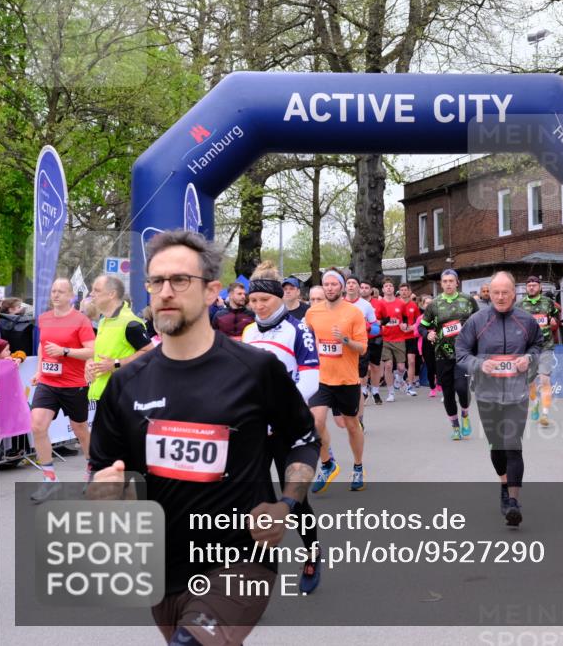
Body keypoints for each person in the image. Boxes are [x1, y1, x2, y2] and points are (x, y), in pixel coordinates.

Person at [89, 230, 320, 645]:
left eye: (180, 280)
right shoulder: (125, 385)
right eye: (156, 281)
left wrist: (286, 503)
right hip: (163, 570)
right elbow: (102, 473)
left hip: (240, 561)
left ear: (212, 291)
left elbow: (303, 437)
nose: (165, 291)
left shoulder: (255, 370)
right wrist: (104, 494)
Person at [242, 260, 324, 593]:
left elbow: (310, 379)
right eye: (253, 301)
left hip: (290, 428)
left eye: (265, 300)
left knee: (296, 498)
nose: (259, 306)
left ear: (280, 297)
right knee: (254, 502)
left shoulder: (299, 329)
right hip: (256, 431)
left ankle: (313, 553)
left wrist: (278, 408)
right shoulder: (248, 332)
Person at [456, 271, 542, 526]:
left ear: (515, 293)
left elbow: (538, 346)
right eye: (496, 292)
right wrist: (479, 364)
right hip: (487, 393)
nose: (501, 297)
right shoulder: (477, 320)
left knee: (512, 443)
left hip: (516, 393)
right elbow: (461, 352)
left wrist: (529, 359)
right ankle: (504, 484)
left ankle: (513, 501)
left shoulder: (526, 321)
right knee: (497, 445)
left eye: (506, 292)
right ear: (489, 293)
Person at [28, 278, 97, 502]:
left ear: (70, 296)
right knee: (37, 425)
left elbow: (91, 351)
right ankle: (49, 479)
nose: (56, 295)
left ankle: (92, 469)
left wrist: (64, 351)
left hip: (74, 384)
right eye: (53, 291)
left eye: (61, 291)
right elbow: (42, 345)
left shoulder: (81, 320)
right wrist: (39, 370)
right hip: (48, 382)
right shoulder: (44, 318)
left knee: (80, 429)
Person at [305, 268, 368, 491]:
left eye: (334, 284)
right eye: (326, 284)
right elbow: (307, 344)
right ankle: (327, 463)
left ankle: (358, 467)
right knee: (315, 422)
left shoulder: (353, 313)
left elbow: (362, 348)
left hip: (346, 379)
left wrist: (346, 340)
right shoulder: (313, 313)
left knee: (351, 425)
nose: (330, 288)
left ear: (341, 287)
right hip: (321, 379)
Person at [419, 269, 478, 440]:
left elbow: (480, 321)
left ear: (457, 282)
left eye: (451, 281)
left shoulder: (467, 300)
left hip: (463, 353)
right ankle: (455, 426)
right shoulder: (434, 304)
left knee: (462, 388)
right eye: (445, 281)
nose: (448, 284)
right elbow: (422, 326)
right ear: (441, 283)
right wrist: (427, 334)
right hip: (441, 354)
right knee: (448, 393)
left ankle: (465, 414)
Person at [86, 275, 152, 405]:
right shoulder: (104, 321)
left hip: (124, 396)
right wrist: (90, 364)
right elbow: (105, 353)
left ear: (111, 294)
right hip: (104, 395)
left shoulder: (130, 322)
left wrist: (116, 363)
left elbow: (149, 353)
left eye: (97, 290)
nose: (92, 294)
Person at [516, 275, 559, 426]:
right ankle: (534, 403)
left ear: (540, 287)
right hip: (528, 349)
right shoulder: (520, 305)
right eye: (529, 285)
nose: (532, 287)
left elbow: (555, 318)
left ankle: (545, 414)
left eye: (534, 285)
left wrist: (554, 322)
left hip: (545, 346)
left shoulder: (548, 303)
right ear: (526, 288)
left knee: (545, 379)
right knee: (529, 381)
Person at [344, 274, 380, 429]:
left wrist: (367, 327)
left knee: (358, 383)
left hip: (360, 347)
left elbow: (377, 328)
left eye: (354, 283)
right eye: (349, 283)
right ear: (345, 286)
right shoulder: (337, 304)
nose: (351, 285)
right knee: (344, 385)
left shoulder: (366, 306)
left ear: (359, 287)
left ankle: (360, 420)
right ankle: (346, 413)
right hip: (342, 350)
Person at [378, 278, 409, 402]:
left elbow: (405, 318)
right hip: (385, 338)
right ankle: (391, 393)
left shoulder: (400, 303)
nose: (389, 288)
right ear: (383, 289)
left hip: (399, 338)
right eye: (386, 286)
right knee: (388, 365)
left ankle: (400, 379)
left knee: (401, 367)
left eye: (391, 286)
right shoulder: (380, 304)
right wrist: (381, 324)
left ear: (393, 288)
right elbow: (376, 319)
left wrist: (405, 325)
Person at [361, 279, 385, 404]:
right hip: (360, 339)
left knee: (375, 367)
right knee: (363, 368)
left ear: (371, 290)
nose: (364, 289)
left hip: (376, 338)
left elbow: (386, 318)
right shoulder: (356, 304)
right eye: (362, 287)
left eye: (366, 287)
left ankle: (375, 392)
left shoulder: (379, 303)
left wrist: (380, 322)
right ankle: (364, 392)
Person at [399, 282, 420, 395]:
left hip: (411, 336)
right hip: (398, 337)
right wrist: (400, 326)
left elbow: (419, 321)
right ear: (399, 292)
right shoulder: (396, 304)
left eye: (406, 290)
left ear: (409, 291)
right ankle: (400, 380)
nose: (404, 292)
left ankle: (410, 386)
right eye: (402, 290)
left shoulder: (413, 305)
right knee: (400, 366)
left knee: (411, 361)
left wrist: (412, 327)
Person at [417, 295, 439, 397]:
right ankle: (432, 387)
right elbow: (416, 333)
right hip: (426, 344)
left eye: (431, 303)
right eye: (427, 303)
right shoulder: (421, 318)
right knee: (430, 368)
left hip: (439, 342)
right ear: (423, 305)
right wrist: (427, 333)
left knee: (440, 365)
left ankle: (440, 384)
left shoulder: (439, 316)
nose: (429, 305)